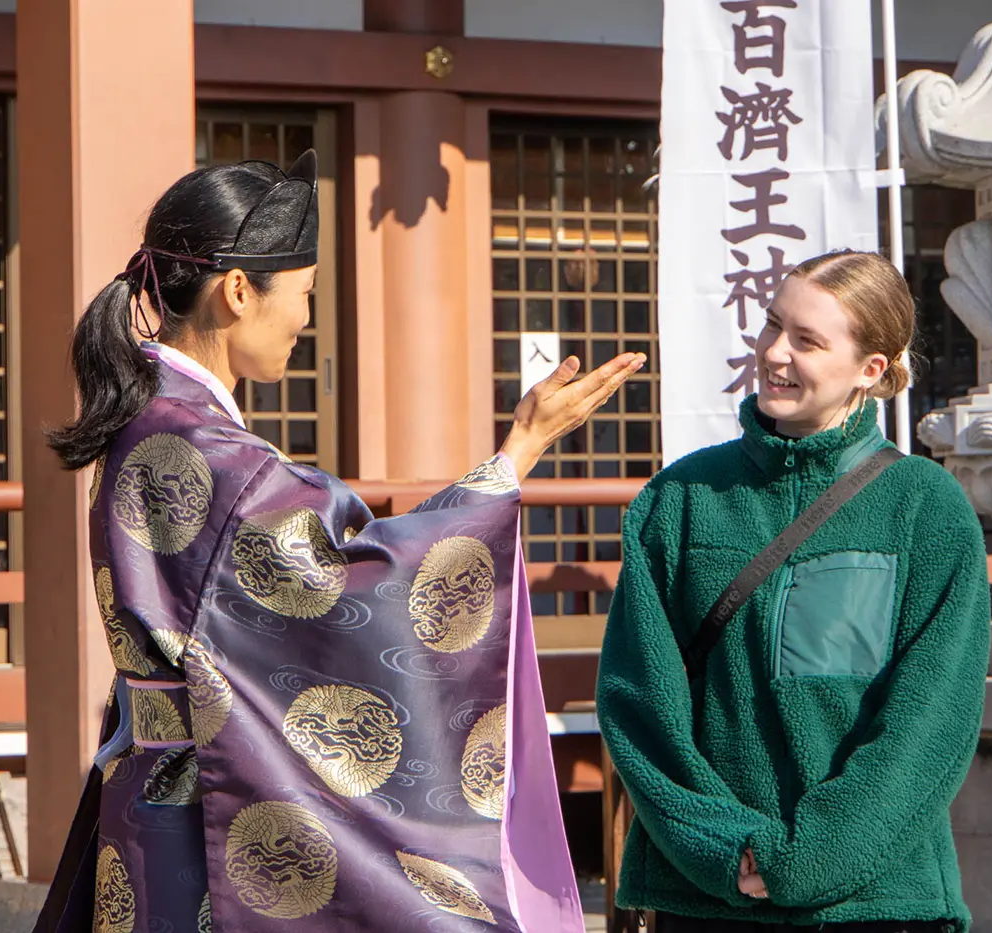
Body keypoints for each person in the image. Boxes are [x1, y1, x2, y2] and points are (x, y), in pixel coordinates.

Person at [32, 151, 645, 933]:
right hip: (207, 806)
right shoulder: (214, 452)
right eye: (304, 294)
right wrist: (517, 454)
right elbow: (352, 586)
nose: (306, 319)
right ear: (239, 291)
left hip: (155, 784)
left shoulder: (152, 419)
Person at [597, 250, 990, 933]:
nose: (776, 353)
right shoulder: (682, 499)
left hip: (877, 901)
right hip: (707, 897)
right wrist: (727, 848)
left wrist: (807, 859)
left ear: (871, 369)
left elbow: (931, 721)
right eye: (773, 326)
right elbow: (639, 702)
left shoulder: (926, 508)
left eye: (807, 340)